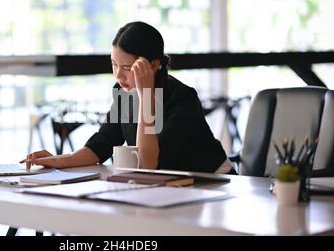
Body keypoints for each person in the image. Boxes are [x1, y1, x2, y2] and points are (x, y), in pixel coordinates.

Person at [21, 21, 231, 173]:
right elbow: (102, 143)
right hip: (168, 187)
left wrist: (146, 94)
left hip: (213, 183)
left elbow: (150, 163)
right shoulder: (123, 92)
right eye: (114, 64)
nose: (119, 75)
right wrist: (57, 160)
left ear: (154, 65)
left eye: (127, 67)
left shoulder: (182, 98)